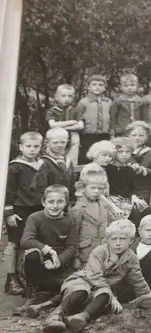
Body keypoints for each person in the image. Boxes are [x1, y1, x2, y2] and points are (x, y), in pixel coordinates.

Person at [42, 219, 151, 333]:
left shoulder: (131, 257)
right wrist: (113, 297)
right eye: (114, 239)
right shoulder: (100, 251)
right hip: (84, 280)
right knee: (81, 290)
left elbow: (138, 280)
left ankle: (81, 317)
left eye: (123, 239)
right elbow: (94, 276)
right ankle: (57, 314)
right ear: (108, 239)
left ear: (131, 240)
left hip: (102, 290)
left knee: (104, 294)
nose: (118, 243)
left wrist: (149, 297)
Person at [15, 185, 77, 316]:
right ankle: (32, 296)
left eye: (60, 201)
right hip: (37, 264)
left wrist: (58, 260)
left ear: (66, 202)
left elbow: (71, 247)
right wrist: (49, 251)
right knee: (33, 254)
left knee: (73, 285)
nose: (55, 206)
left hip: (58, 266)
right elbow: (25, 240)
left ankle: (48, 295)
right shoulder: (35, 217)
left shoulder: (70, 220)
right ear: (43, 202)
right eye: (50, 201)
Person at [4, 132, 45, 295]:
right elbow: (8, 191)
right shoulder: (15, 166)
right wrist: (9, 213)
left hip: (37, 209)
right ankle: (11, 278)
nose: (32, 150)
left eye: (36, 146)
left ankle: (26, 276)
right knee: (15, 243)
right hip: (19, 210)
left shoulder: (43, 164)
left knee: (30, 242)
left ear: (41, 147)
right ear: (21, 147)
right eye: (28, 146)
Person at [106, 137, 148, 222]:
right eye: (120, 152)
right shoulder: (107, 168)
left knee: (143, 208)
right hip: (110, 200)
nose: (124, 155)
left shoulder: (129, 170)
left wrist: (134, 197)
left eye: (127, 152)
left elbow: (133, 187)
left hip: (126, 199)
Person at [73, 75, 112, 164]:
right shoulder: (83, 102)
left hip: (104, 135)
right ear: (88, 87)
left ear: (105, 88)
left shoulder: (109, 102)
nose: (97, 87)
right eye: (94, 84)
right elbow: (77, 119)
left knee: (104, 158)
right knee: (86, 158)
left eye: (100, 85)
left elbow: (112, 119)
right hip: (88, 136)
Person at [46, 84, 82, 166]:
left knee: (72, 162)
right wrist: (71, 122)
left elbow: (80, 126)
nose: (67, 99)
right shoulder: (52, 111)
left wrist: (61, 126)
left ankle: (71, 177)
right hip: (56, 138)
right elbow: (52, 125)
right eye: (63, 96)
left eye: (70, 96)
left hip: (73, 138)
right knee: (55, 160)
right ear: (56, 97)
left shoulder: (75, 110)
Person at [127, 121, 151, 204]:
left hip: (145, 190)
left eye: (141, 135)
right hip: (127, 191)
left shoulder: (150, 152)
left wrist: (144, 170)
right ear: (128, 136)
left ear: (146, 137)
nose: (137, 138)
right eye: (134, 135)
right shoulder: (124, 152)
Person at [109, 73, 147, 139]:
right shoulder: (117, 101)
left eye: (132, 85)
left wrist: (145, 131)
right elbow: (113, 119)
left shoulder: (141, 101)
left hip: (137, 133)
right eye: (126, 86)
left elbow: (144, 119)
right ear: (121, 87)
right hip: (121, 132)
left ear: (137, 86)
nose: (129, 88)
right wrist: (112, 134)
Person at [39, 128, 75, 192]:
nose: (59, 145)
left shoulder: (68, 162)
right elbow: (41, 187)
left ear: (67, 141)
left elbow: (72, 184)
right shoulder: (43, 162)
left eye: (63, 142)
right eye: (55, 142)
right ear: (47, 143)